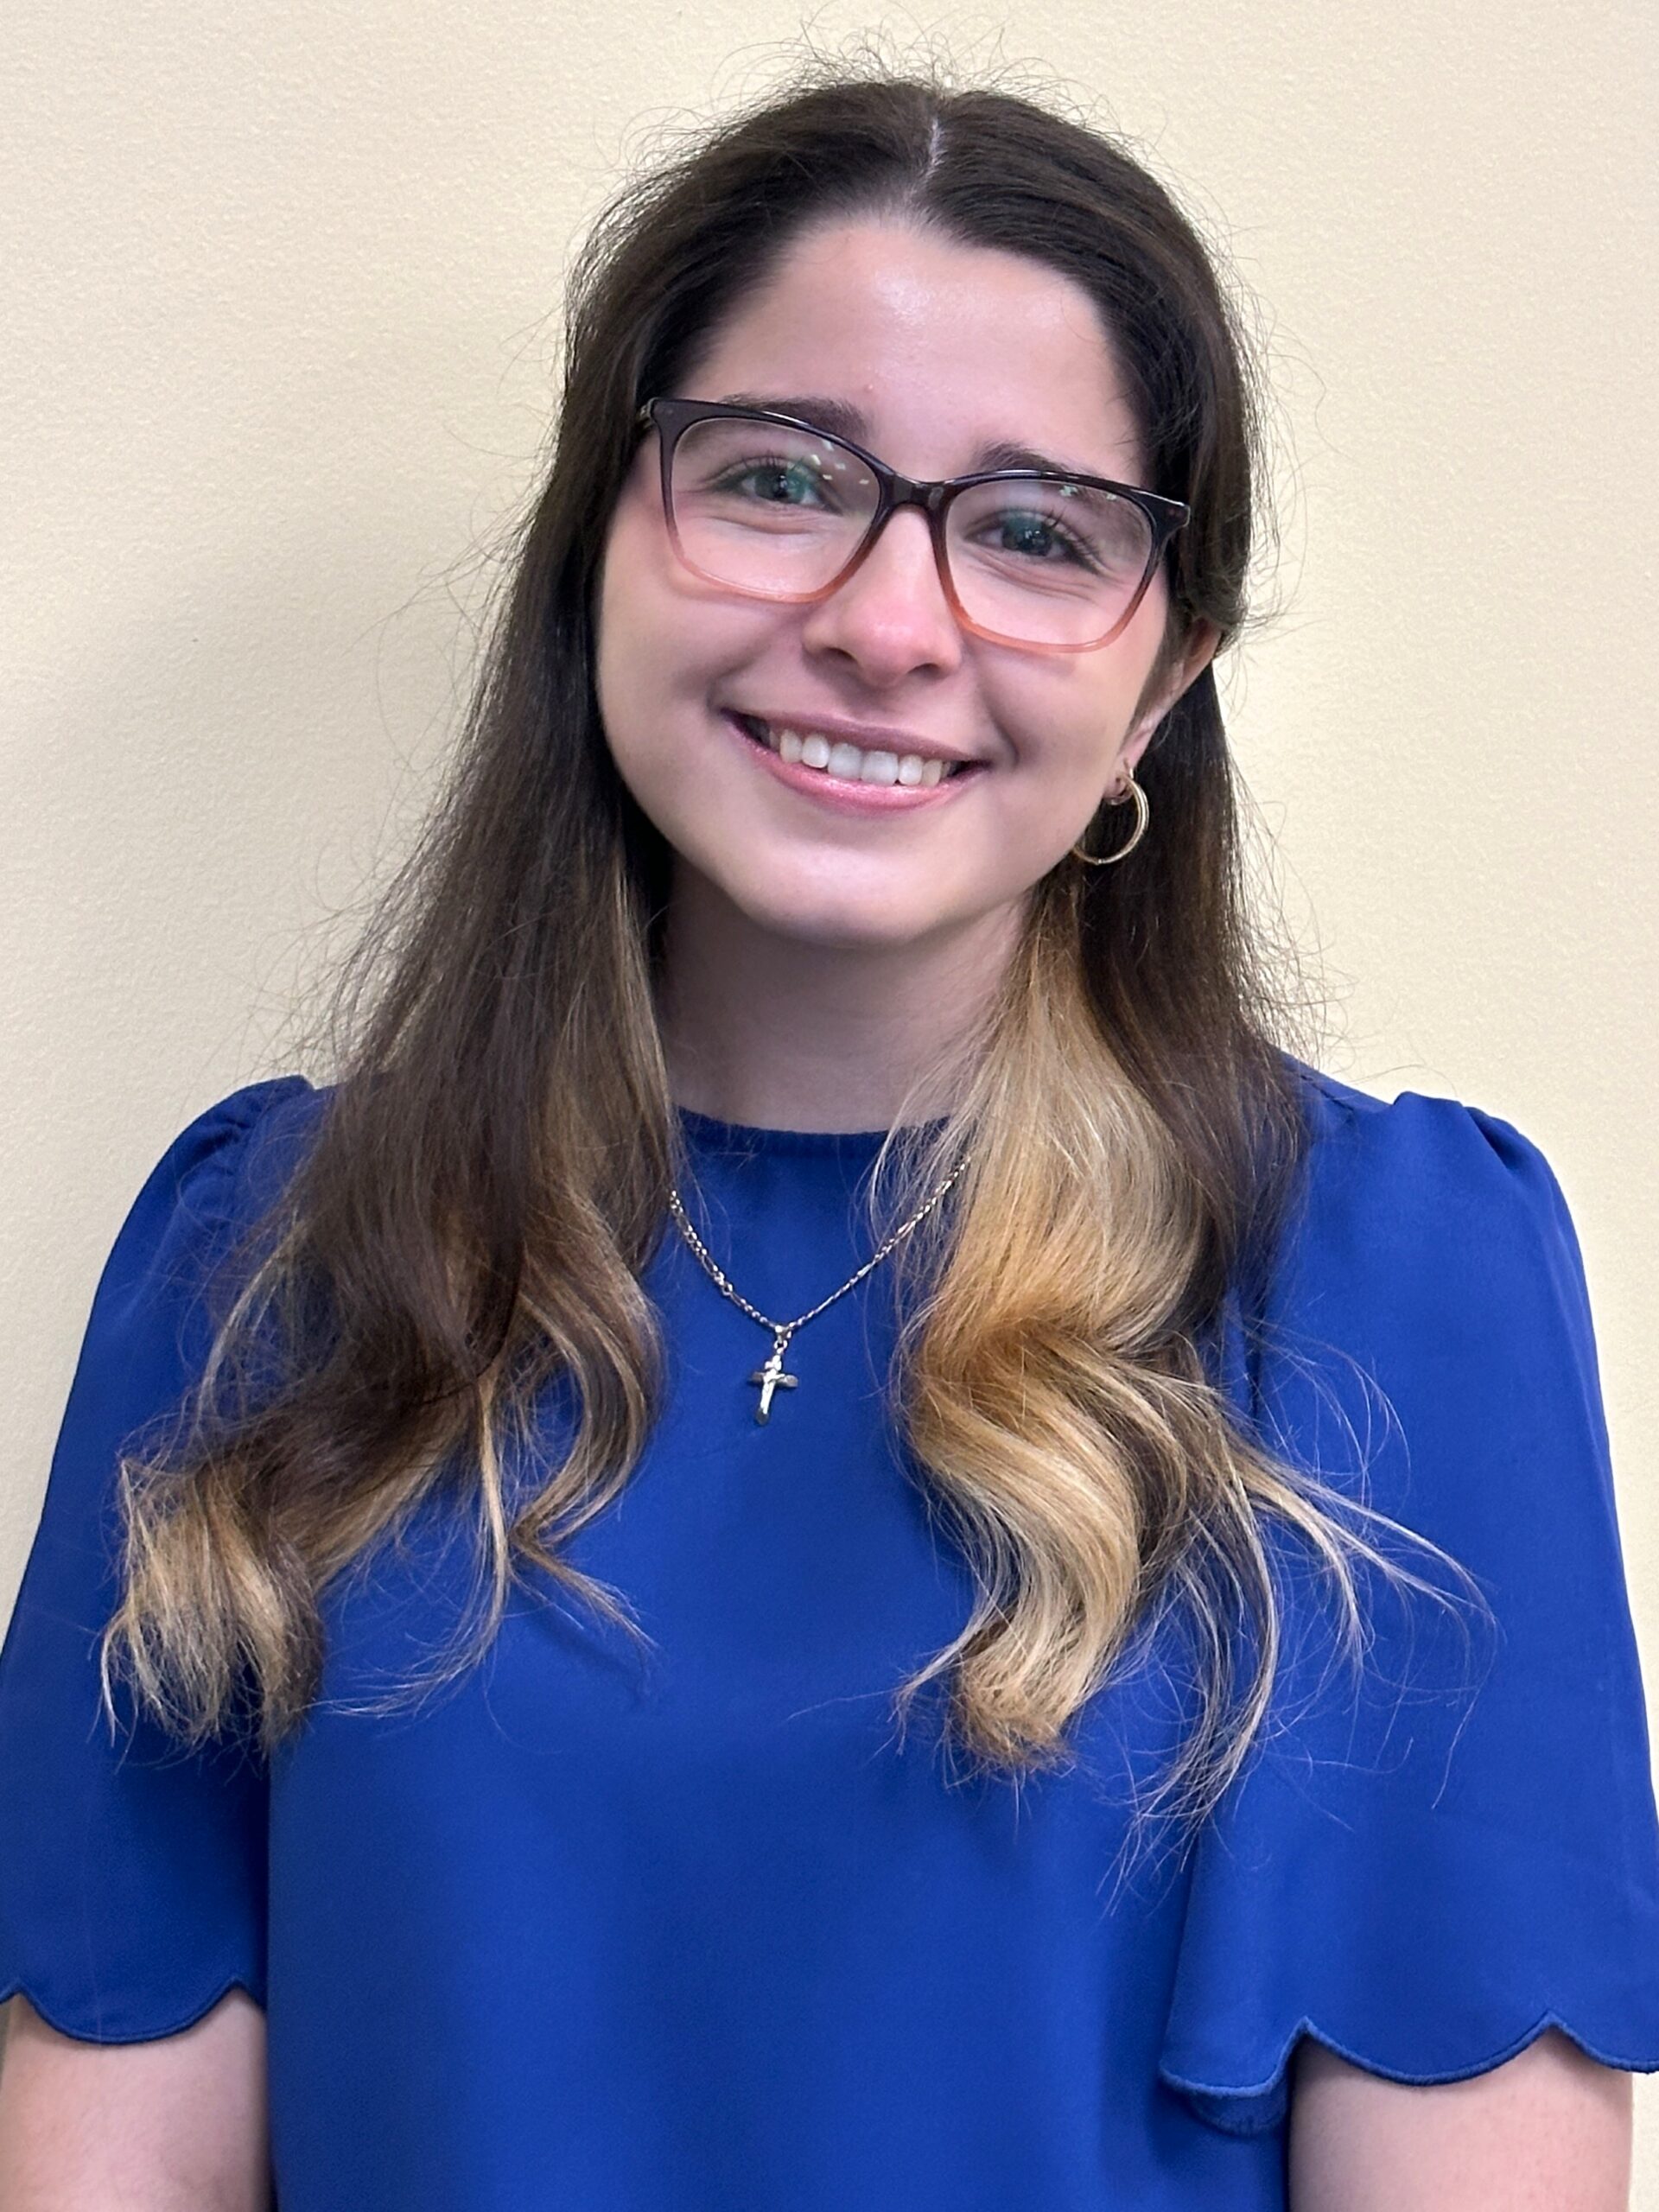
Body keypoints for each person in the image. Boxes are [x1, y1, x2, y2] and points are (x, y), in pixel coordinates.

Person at [1, 61, 1655, 2212]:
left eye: (1040, 533)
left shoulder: (1392, 1280)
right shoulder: (269, 1259)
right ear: (599, 547)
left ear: (1161, 685)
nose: (890, 623)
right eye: (783, 478)